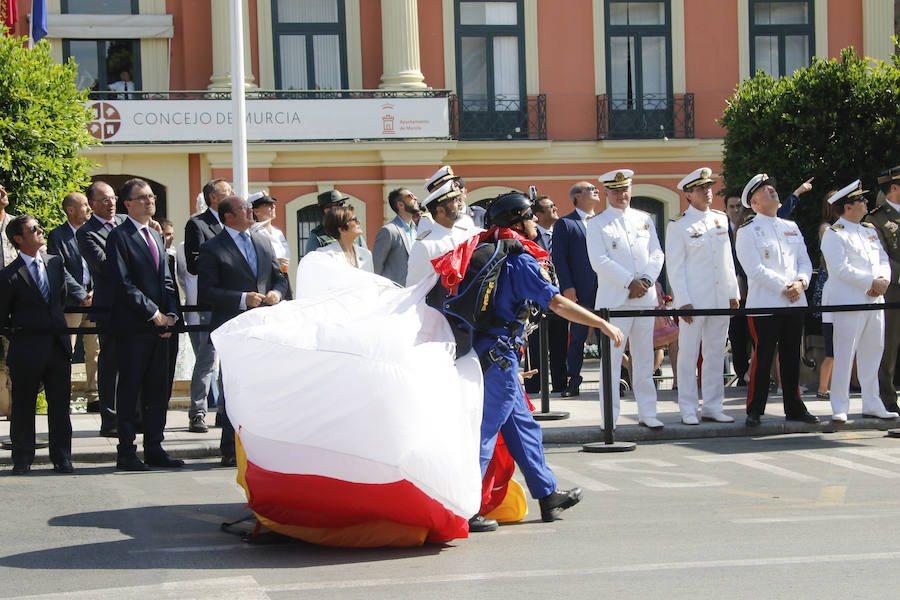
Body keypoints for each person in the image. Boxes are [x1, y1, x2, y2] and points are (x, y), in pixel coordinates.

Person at [433, 191, 624, 531]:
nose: (537, 221)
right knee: (484, 433)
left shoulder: (490, 249)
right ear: (518, 222)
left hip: (496, 355)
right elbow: (557, 304)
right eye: (531, 216)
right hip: (499, 357)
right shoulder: (518, 260)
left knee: (523, 428)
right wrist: (601, 323)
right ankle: (466, 506)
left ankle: (547, 494)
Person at [197, 195, 289, 467]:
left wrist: (276, 292)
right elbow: (207, 292)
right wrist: (241, 298)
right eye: (244, 209)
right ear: (228, 216)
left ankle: (261, 445)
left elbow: (280, 278)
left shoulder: (262, 241)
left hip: (263, 326)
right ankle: (229, 447)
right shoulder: (213, 248)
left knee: (263, 387)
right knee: (233, 389)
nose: (250, 211)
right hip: (234, 327)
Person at [106, 178, 182, 471]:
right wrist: (153, 313)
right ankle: (126, 451)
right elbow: (123, 283)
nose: (150, 201)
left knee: (157, 390)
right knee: (130, 390)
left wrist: (171, 315)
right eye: (142, 198)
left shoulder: (155, 235)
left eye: (151, 196)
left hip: (161, 328)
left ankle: (154, 447)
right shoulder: (120, 236)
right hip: (134, 327)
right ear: (128, 204)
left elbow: (167, 280)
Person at [735, 173, 819, 426]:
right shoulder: (748, 231)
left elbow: (804, 260)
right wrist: (786, 287)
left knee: (792, 356)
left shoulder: (790, 227)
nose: (772, 190)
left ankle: (794, 407)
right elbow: (754, 269)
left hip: (794, 302)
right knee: (763, 356)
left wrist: (801, 282)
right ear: (754, 202)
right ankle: (755, 409)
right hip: (765, 304)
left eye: (772, 187)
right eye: (764, 189)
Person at [585, 169, 665, 429]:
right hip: (615, 301)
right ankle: (610, 416)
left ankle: (647, 412)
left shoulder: (644, 219)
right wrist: (628, 282)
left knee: (644, 359)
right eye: (616, 190)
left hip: (643, 298)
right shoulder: (598, 223)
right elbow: (599, 260)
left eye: (625, 189)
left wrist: (646, 281)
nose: (622, 194)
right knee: (610, 362)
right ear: (607, 193)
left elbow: (656, 254)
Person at [665, 168, 740, 425]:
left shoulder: (719, 220)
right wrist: (682, 300)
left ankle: (712, 405)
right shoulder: (679, 225)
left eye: (708, 187)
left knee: (716, 353)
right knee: (687, 355)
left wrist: (733, 292)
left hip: (719, 298)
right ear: (688, 194)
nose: (707, 192)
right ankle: (687, 407)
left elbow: (727, 261)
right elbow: (675, 266)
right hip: (693, 301)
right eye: (700, 188)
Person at [0, 215, 74, 474]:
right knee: (23, 405)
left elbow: (60, 300)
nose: (40, 231)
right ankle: (22, 458)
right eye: (33, 229)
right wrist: (22, 335)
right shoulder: (9, 275)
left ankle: (62, 457)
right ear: (19, 239)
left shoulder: (55, 264)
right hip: (27, 350)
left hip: (57, 346)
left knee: (60, 406)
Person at [820, 180, 897, 422]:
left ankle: (872, 402)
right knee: (845, 354)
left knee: (873, 351)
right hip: (849, 301)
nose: (866, 202)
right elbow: (840, 269)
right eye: (861, 200)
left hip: (874, 301)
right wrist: (871, 282)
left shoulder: (869, 231)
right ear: (848, 206)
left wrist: (883, 278)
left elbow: (883, 259)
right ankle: (840, 406)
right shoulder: (834, 234)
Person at [76, 180, 125, 437]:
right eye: (104, 200)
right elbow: (105, 267)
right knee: (110, 363)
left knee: (135, 363)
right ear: (92, 204)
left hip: (136, 306)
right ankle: (111, 420)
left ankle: (133, 416)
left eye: (113, 198)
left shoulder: (127, 222)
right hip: (111, 307)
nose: (111, 203)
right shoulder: (87, 232)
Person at [183, 177, 231, 433]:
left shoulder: (236, 223)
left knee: (229, 360)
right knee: (207, 359)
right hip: (210, 301)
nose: (233, 194)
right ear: (213, 197)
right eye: (227, 191)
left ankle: (225, 411)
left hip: (233, 299)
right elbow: (193, 263)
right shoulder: (198, 224)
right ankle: (198, 412)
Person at [47, 192, 100, 409]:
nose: (89, 208)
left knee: (95, 350)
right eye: (85, 205)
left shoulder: (94, 232)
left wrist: (95, 293)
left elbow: (102, 264)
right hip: (71, 302)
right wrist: (81, 295)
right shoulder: (57, 236)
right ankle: (61, 395)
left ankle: (94, 397)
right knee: (66, 350)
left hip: (96, 301)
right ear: (70, 209)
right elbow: (59, 269)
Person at [551, 181, 602, 397]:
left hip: (606, 289)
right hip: (580, 290)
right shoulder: (566, 223)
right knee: (578, 336)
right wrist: (568, 287)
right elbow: (559, 258)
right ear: (577, 196)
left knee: (607, 337)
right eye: (591, 189)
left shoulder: (603, 222)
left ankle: (616, 378)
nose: (596, 191)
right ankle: (574, 380)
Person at [865, 164, 900, 414]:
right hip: (893, 292)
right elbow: (881, 258)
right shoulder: (875, 219)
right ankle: (887, 398)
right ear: (894, 187)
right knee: (888, 347)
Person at [525, 195, 568, 394]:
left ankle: (560, 384)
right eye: (550, 206)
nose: (555, 208)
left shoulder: (560, 234)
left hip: (561, 297)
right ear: (538, 214)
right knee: (536, 344)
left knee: (560, 342)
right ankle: (534, 387)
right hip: (537, 299)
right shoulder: (530, 237)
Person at [406, 180, 480, 286]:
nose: (460, 203)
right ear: (441, 211)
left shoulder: (467, 233)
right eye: (455, 200)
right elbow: (414, 287)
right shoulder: (425, 245)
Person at [813, 191, 838, 401]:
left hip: (839, 289)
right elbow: (830, 261)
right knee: (831, 347)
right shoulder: (827, 229)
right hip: (831, 288)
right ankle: (822, 387)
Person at [725, 194, 751, 385]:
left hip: (752, 290)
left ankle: (756, 372)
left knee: (756, 335)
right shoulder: (722, 230)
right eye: (732, 207)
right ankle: (742, 374)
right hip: (732, 293)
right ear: (726, 209)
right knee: (737, 336)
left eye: (739, 207)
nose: (736, 210)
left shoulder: (749, 228)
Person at [372, 187, 419, 285]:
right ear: (400, 205)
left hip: (417, 291)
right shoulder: (388, 231)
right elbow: (376, 266)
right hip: (395, 293)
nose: (416, 198)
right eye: (411, 196)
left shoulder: (418, 229)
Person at [0, 183, 17, 417]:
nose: (3, 193)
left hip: (14, 301)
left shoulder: (17, 225)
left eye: (3, 189)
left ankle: (16, 409)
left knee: (13, 355)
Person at [315, 205, 374, 272]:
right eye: (354, 219)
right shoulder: (325, 254)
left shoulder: (366, 254)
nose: (359, 222)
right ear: (342, 229)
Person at [305, 190, 365, 254]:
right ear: (327, 210)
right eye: (340, 204)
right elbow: (311, 261)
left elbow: (365, 258)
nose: (344, 206)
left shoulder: (352, 231)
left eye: (343, 203)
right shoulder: (317, 236)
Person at [250, 192, 290, 274]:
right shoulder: (253, 233)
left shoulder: (278, 233)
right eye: (267, 205)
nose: (273, 206)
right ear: (256, 211)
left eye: (273, 204)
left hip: (282, 275)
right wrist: (274, 263)